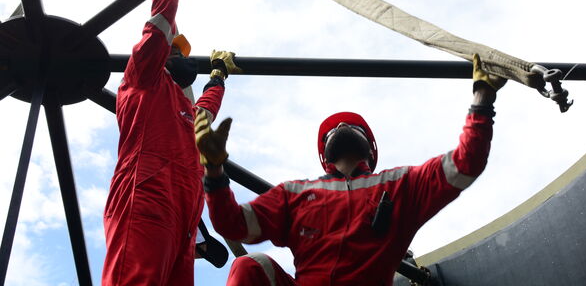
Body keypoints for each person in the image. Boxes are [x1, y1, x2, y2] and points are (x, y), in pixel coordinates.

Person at [195, 54, 506, 286]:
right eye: (333, 129)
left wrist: (483, 97)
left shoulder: (401, 186)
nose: (341, 125)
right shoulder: (294, 195)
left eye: (352, 126)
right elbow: (232, 224)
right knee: (251, 266)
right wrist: (214, 171)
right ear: (324, 156)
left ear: (371, 151)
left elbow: (467, 162)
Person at [102, 0, 240, 286]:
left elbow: (206, 110)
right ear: (163, 56)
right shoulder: (144, 79)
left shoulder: (184, 108)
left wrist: (218, 76)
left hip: (184, 216)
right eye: (177, 51)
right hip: (146, 196)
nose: (184, 57)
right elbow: (160, 24)